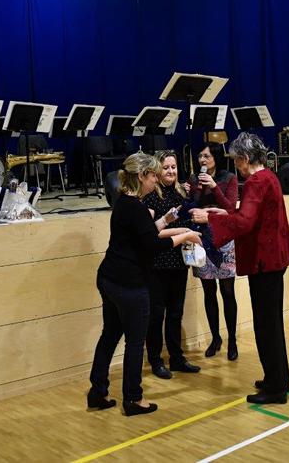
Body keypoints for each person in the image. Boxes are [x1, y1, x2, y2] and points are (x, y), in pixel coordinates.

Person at [88, 152, 202, 416]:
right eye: (153, 175)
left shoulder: (124, 203)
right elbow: (152, 245)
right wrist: (185, 235)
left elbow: (145, 232)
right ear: (141, 176)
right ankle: (133, 398)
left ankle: (98, 391)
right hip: (129, 283)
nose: (156, 179)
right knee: (135, 342)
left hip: (109, 277)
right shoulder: (136, 207)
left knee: (110, 335)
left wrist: (167, 222)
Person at [190, 132, 289, 405]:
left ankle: (276, 388)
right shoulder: (269, 176)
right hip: (274, 259)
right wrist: (224, 213)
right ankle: (278, 378)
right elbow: (248, 216)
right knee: (272, 323)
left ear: (246, 158)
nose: (236, 166)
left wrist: (210, 219)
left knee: (266, 325)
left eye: (237, 160)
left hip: (264, 261)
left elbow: (246, 223)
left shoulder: (256, 182)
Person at [143, 150, 201, 379]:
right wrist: (183, 232)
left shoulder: (180, 193)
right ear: (157, 170)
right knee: (157, 314)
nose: (170, 171)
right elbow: (151, 232)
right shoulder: (150, 196)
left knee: (176, 312)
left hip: (178, 260)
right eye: (166, 167)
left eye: (173, 167)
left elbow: (186, 219)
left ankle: (176, 358)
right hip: (158, 262)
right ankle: (156, 360)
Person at [186, 142, 240, 361]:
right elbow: (191, 206)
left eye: (206, 156)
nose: (202, 160)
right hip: (202, 239)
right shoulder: (194, 179)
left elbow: (230, 208)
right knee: (208, 292)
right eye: (200, 156)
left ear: (216, 157)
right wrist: (196, 188)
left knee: (227, 292)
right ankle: (215, 338)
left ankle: (232, 340)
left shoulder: (229, 178)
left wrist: (214, 186)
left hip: (224, 239)